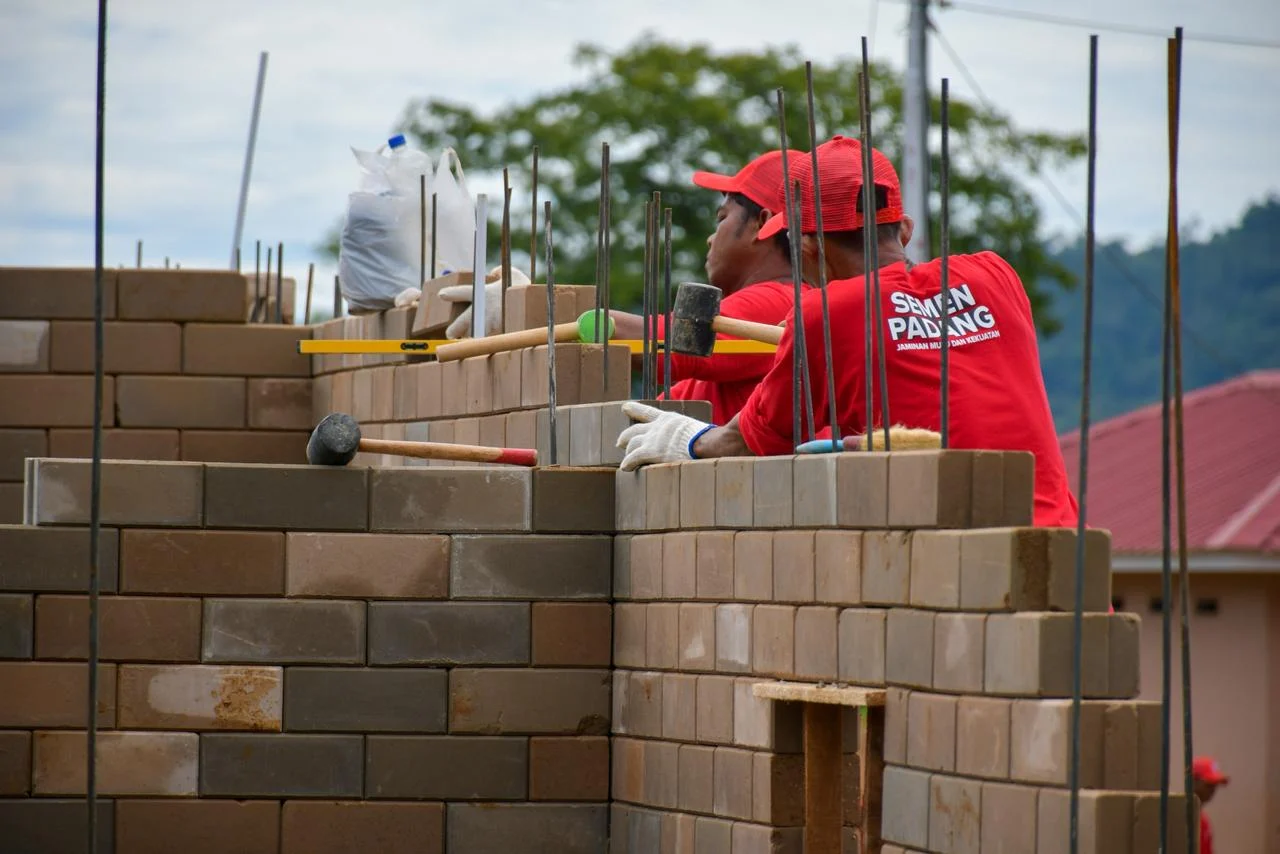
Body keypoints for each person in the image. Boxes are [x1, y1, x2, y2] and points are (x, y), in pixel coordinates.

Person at [617, 134, 1079, 529]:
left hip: (958, 562)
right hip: (1061, 548)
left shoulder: (824, 314)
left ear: (805, 244)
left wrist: (686, 440)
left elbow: (741, 440)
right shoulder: (994, 274)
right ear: (905, 230)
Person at [441, 149, 813, 425]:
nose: (710, 239)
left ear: (762, 223)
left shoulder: (780, 303)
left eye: (722, 219)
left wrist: (535, 308)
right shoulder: (729, 357)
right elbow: (659, 407)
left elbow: (678, 345)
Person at [1192, 756, 1228, 854]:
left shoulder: (1204, 821)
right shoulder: (1179, 818)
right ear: (1193, 782)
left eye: (1215, 785)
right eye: (1209, 784)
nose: (1213, 790)